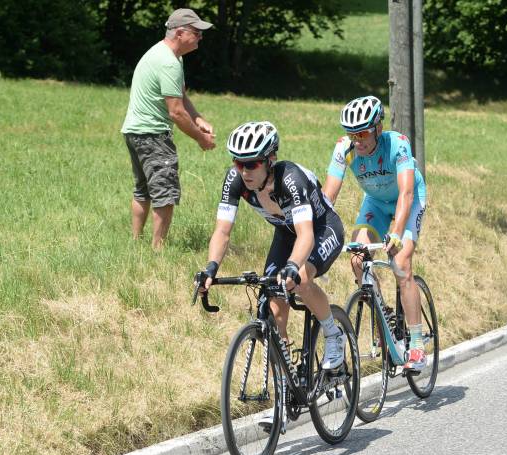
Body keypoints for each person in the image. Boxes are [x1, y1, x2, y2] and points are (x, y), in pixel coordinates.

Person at [196, 122, 346, 370]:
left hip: (321, 228)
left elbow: (306, 234)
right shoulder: (235, 180)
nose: (244, 171)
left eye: (252, 163)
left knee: (302, 279)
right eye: (238, 162)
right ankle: (288, 380)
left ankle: (333, 334)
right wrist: (210, 268)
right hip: (286, 234)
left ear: (270, 159)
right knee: (274, 310)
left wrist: (292, 266)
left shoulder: (290, 178)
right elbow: (222, 231)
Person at [321, 95, 429, 371]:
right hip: (375, 205)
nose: (358, 139)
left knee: (401, 263)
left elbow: (405, 193)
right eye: (352, 133)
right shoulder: (344, 149)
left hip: (409, 199)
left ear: (378, 127)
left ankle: (417, 345)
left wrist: (395, 233)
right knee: (357, 259)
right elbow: (328, 196)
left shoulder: (397, 144)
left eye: (364, 132)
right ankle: (386, 317)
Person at [121, 8, 217, 249]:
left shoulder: (169, 55)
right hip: (153, 135)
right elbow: (175, 112)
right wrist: (200, 139)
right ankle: (157, 250)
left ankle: (135, 242)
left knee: (143, 189)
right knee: (165, 193)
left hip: (134, 132)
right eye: (197, 32)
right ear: (180, 33)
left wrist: (198, 118)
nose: (201, 37)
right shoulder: (168, 63)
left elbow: (181, 97)